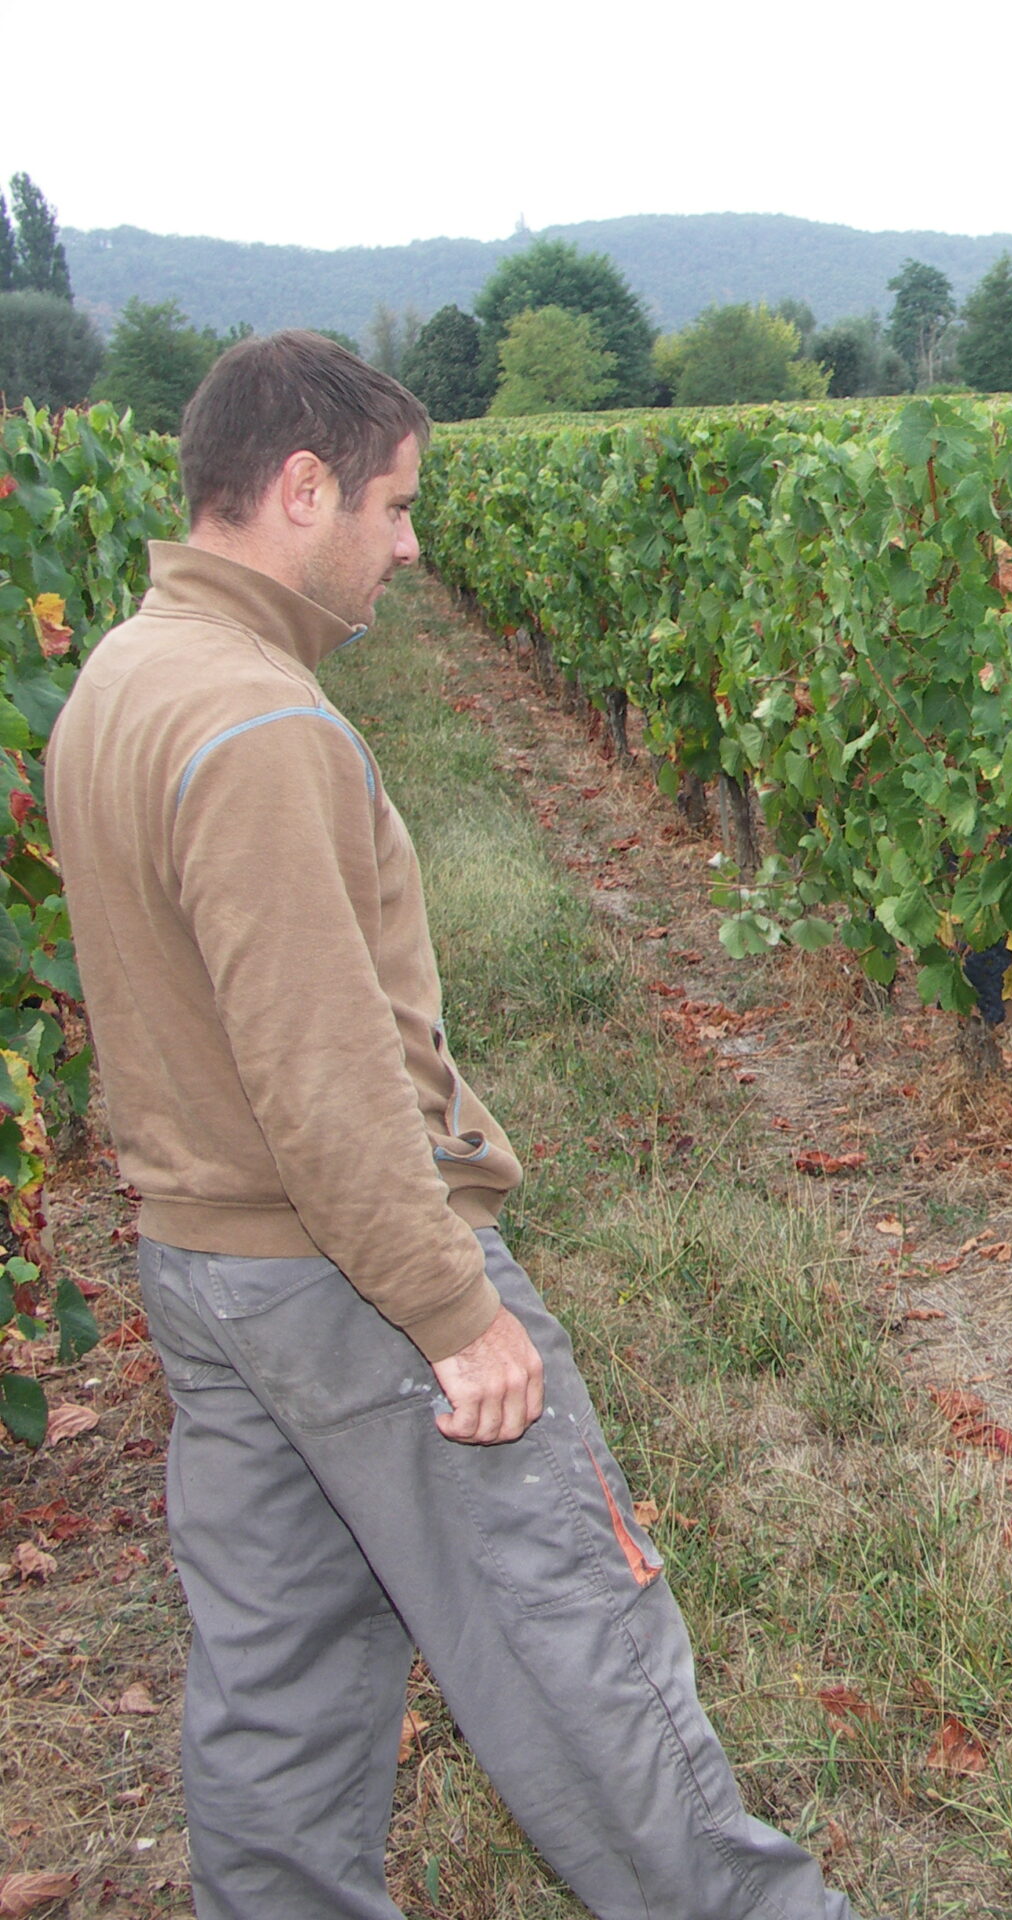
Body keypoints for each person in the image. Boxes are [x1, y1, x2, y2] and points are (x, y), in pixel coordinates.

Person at [47, 331, 857, 1920]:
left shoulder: (126, 674)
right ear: (299, 490)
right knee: (582, 1653)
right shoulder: (259, 726)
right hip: (344, 1276)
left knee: (276, 1680)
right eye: (396, 506)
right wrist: (451, 1312)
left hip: (202, 1267)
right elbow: (318, 1067)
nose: (413, 545)